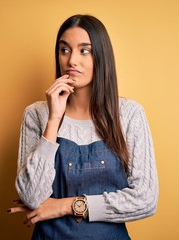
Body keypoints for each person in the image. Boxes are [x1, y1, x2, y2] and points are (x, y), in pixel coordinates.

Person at [8, 14, 159, 239]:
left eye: (84, 50)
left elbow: (145, 199)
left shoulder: (128, 114)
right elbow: (31, 196)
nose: (71, 61)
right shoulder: (36, 115)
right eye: (64, 50)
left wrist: (66, 205)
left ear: (101, 56)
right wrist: (53, 119)